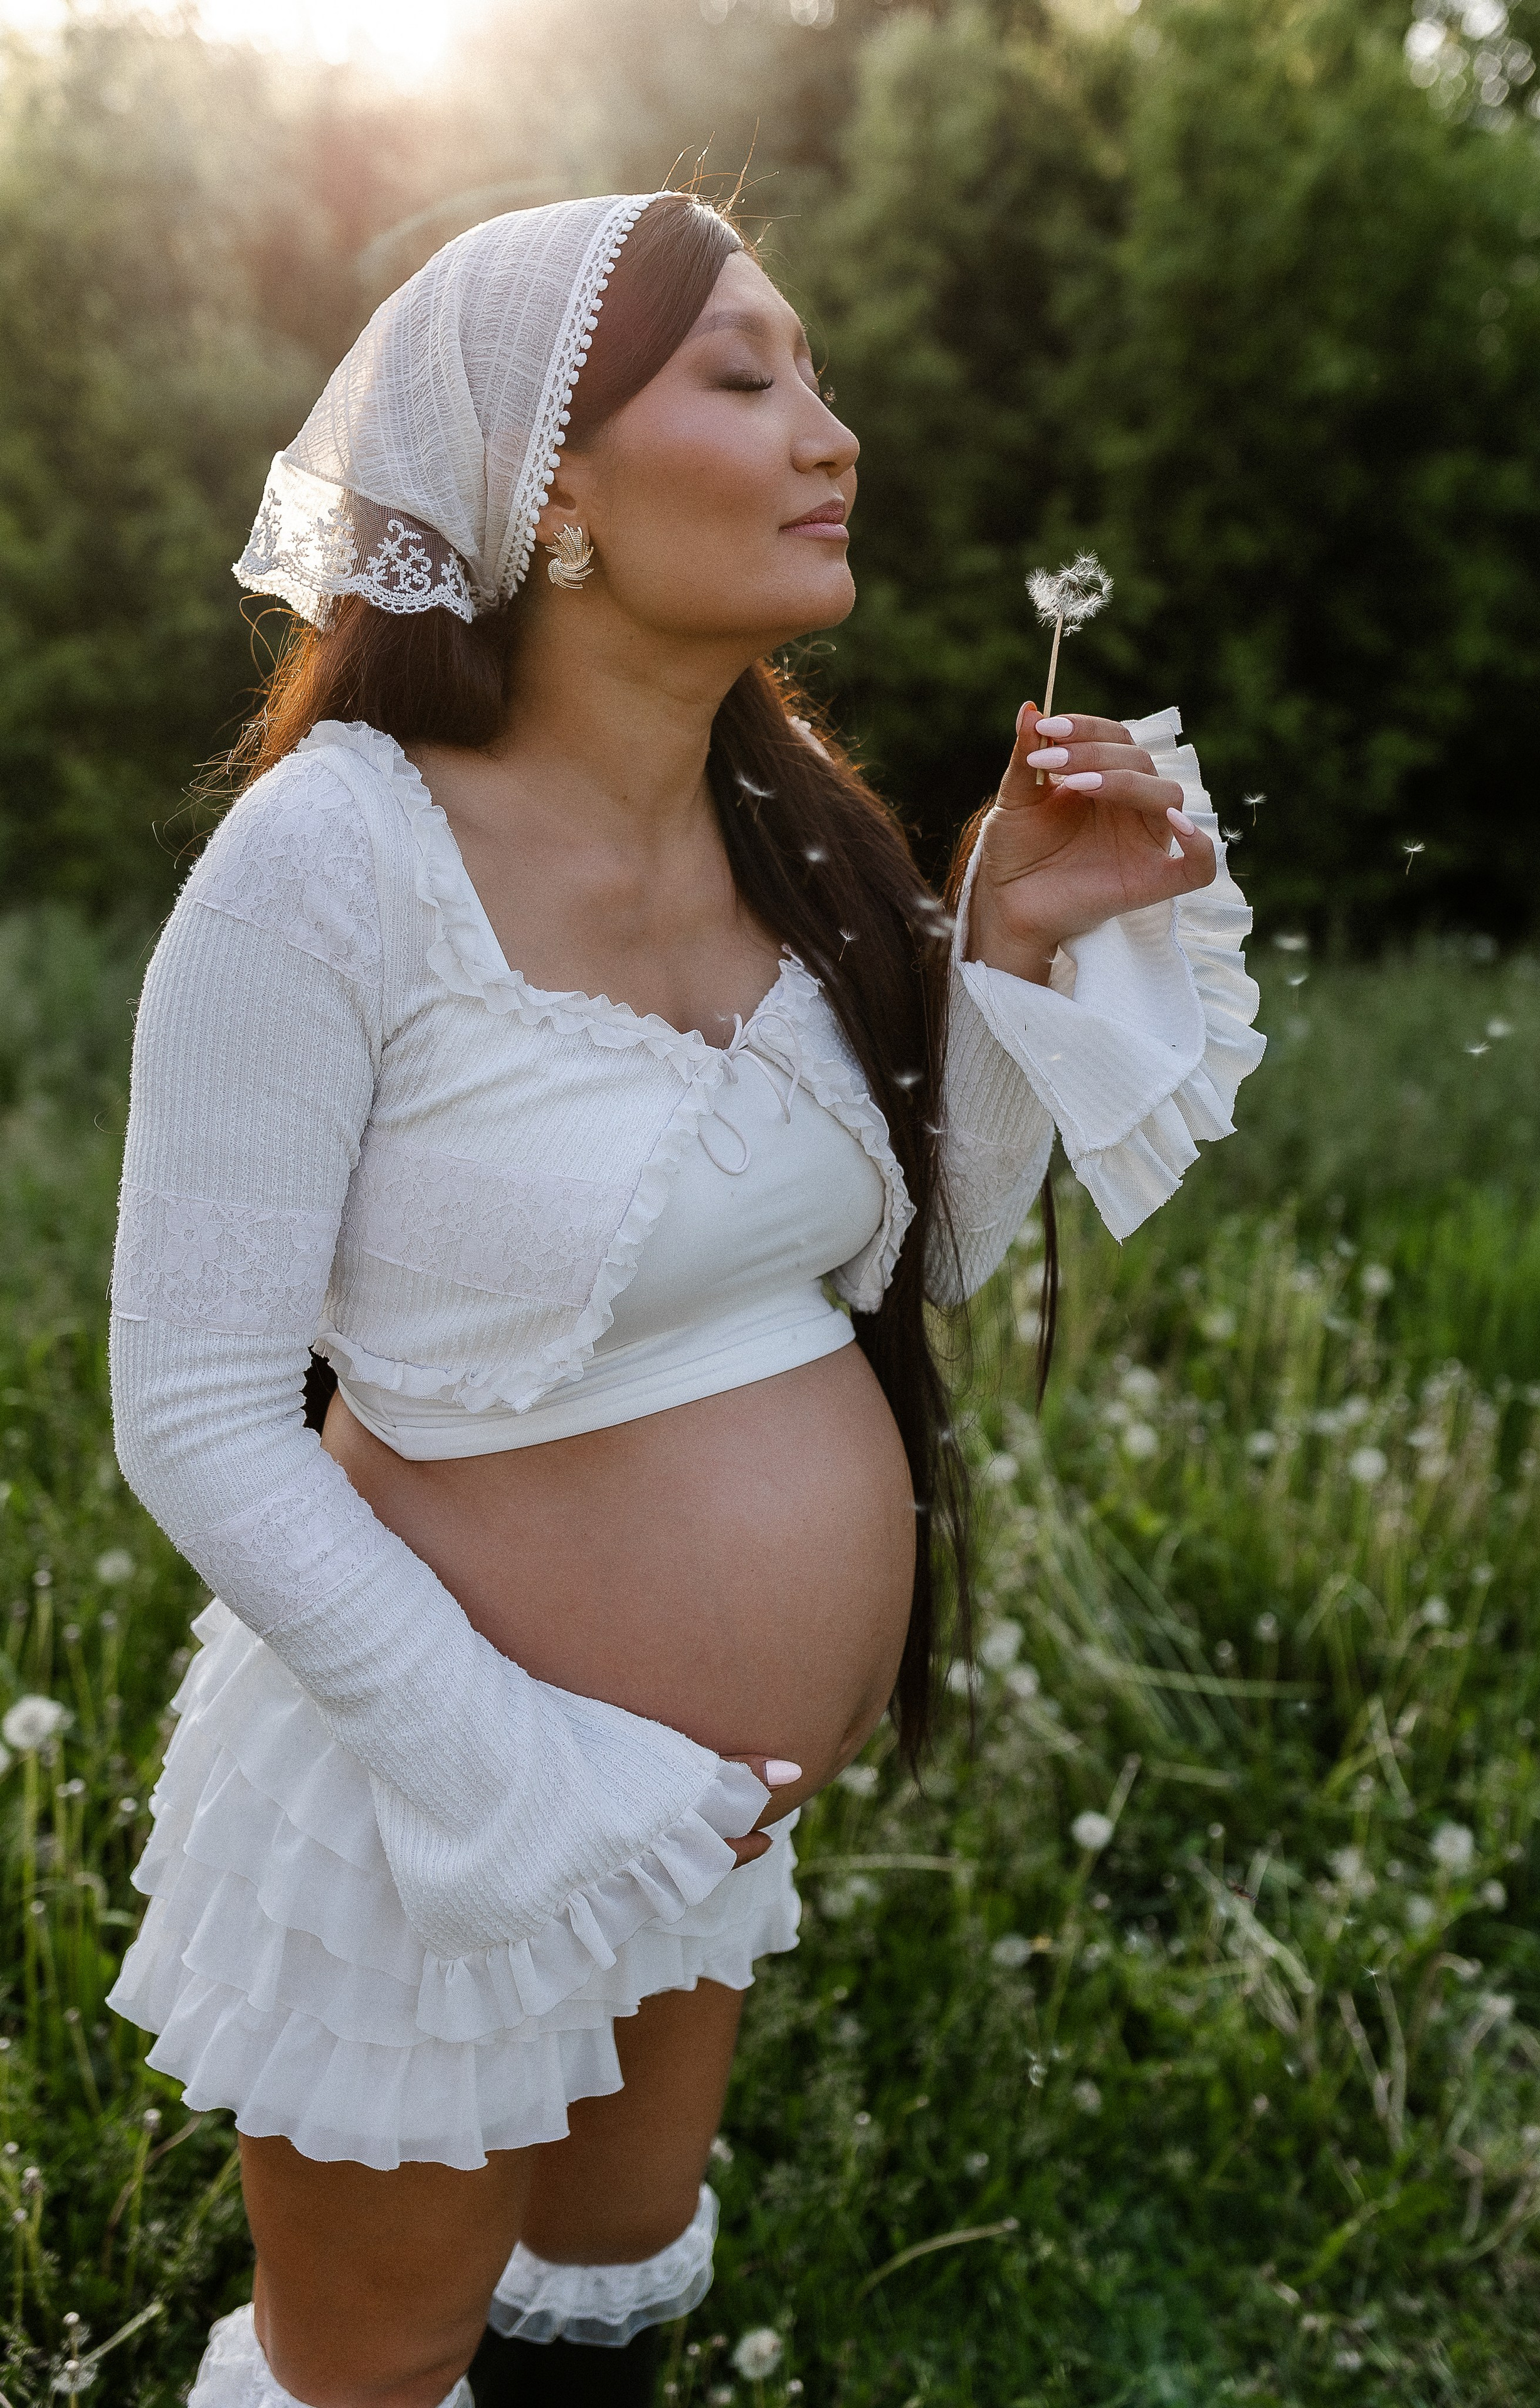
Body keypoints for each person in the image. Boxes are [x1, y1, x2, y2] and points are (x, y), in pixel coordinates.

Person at [105, 189, 1264, 2408]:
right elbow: (197, 1411)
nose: (831, 437)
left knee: (607, 2283)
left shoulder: (796, 833)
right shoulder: (330, 859)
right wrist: (506, 1774)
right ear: (549, 483)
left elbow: (904, 1255)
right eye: (748, 378)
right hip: (439, 1804)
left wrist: (1008, 952)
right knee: (378, 2366)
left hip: (691, 1810)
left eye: (816, 378)